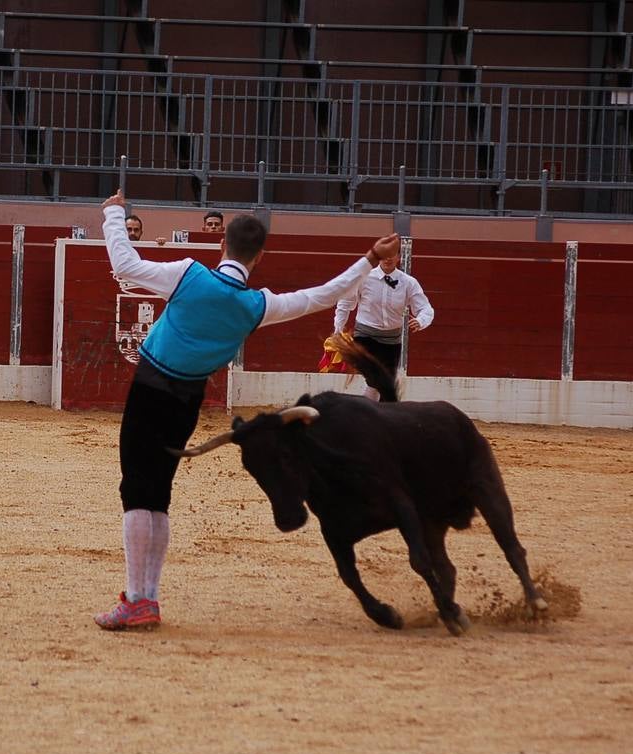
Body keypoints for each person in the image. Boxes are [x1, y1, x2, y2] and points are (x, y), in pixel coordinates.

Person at [94, 188, 399, 631]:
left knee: (137, 491)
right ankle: (148, 598)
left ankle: (139, 599)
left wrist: (114, 215)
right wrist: (370, 257)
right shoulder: (257, 305)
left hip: (151, 390)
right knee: (157, 493)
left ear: (222, 245)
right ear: (259, 256)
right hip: (188, 400)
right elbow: (323, 295)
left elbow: (123, 265)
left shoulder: (188, 275)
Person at [331, 242, 433, 400]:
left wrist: (421, 321)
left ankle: (375, 413)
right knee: (376, 377)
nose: (388, 259)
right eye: (384, 255)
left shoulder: (408, 282)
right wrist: (338, 328)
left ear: (399, 257)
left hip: (391, 341)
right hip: (365, 336)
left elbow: (426, 308)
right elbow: (345, 303)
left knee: (386, 386)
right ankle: (369, 411)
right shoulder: (364, 278)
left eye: (392, 255)